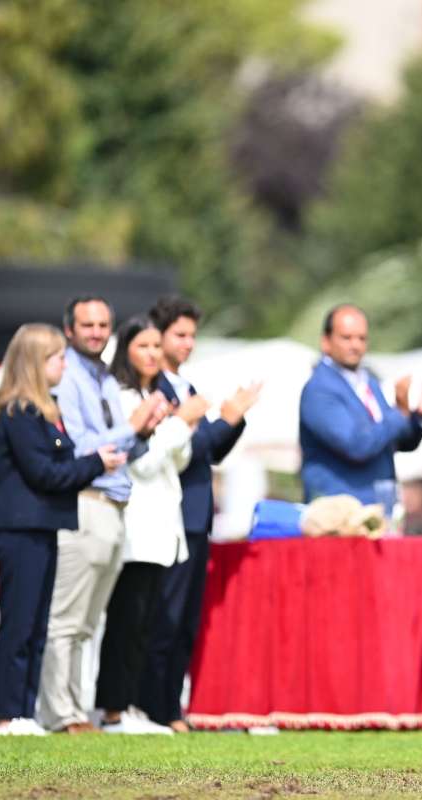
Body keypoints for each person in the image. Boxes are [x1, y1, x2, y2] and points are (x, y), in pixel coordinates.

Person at [0, 324, 126, 736]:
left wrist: (86, 464)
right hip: (21, 528)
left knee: (37, 624)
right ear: (35, 363)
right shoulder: (20, 412)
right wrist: (96, 464)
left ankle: (24, 712)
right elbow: (46, 473)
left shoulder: (45, 412)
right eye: (57, 358)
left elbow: (56, 469)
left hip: (42, 525)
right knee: (20, 623)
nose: (64, 365)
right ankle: (8, 714)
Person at [38, 296, 169, 734]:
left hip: (115, 503)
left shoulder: (104, 380)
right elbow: (80, 446)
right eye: (87, 324)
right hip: (85, 499)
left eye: (102, 324)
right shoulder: (69, 378)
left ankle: (75, 710)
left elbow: (123, 448)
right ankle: (60, 713)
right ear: (69, 329)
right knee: (68, 618)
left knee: (88, 622)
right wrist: (132, 428)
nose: (96, 331)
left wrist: (143, 431)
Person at [138, 296, 260, 732]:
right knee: (165, 617)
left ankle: (171, 706)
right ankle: (155, 706)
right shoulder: (156, 389)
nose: (188, 343)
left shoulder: (185, 387)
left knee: (186, 618)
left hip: (196, 514)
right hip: (172, 515)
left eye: (192, 335)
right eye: (180, 335)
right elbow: (185, 451)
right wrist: (218, 421)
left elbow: (210, 453)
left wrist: (234, 419)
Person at [95, 316, 208, 734]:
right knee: (127, 618)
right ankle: (112, 709)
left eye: (156, 348)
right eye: (143, 346)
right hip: (136, 522)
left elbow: (175, 460)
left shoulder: (153, 394)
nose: (152, 355)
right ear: (125, 350)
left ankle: (133, 706)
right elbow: (140, 462)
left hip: (163, 522)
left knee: (147, 621)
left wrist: (181, 427)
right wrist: (180, 424)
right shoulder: (123, 398)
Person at [299, 304, 422, 505]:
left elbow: (395, 440)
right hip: (338, 512)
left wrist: (417, 415)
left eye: (362, 338)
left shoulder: (369, 383)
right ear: (326, 341)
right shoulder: (319, 390)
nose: (355, 345)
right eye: (346, 337)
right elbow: (357, 445)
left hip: (378, 506)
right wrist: (399, 413)